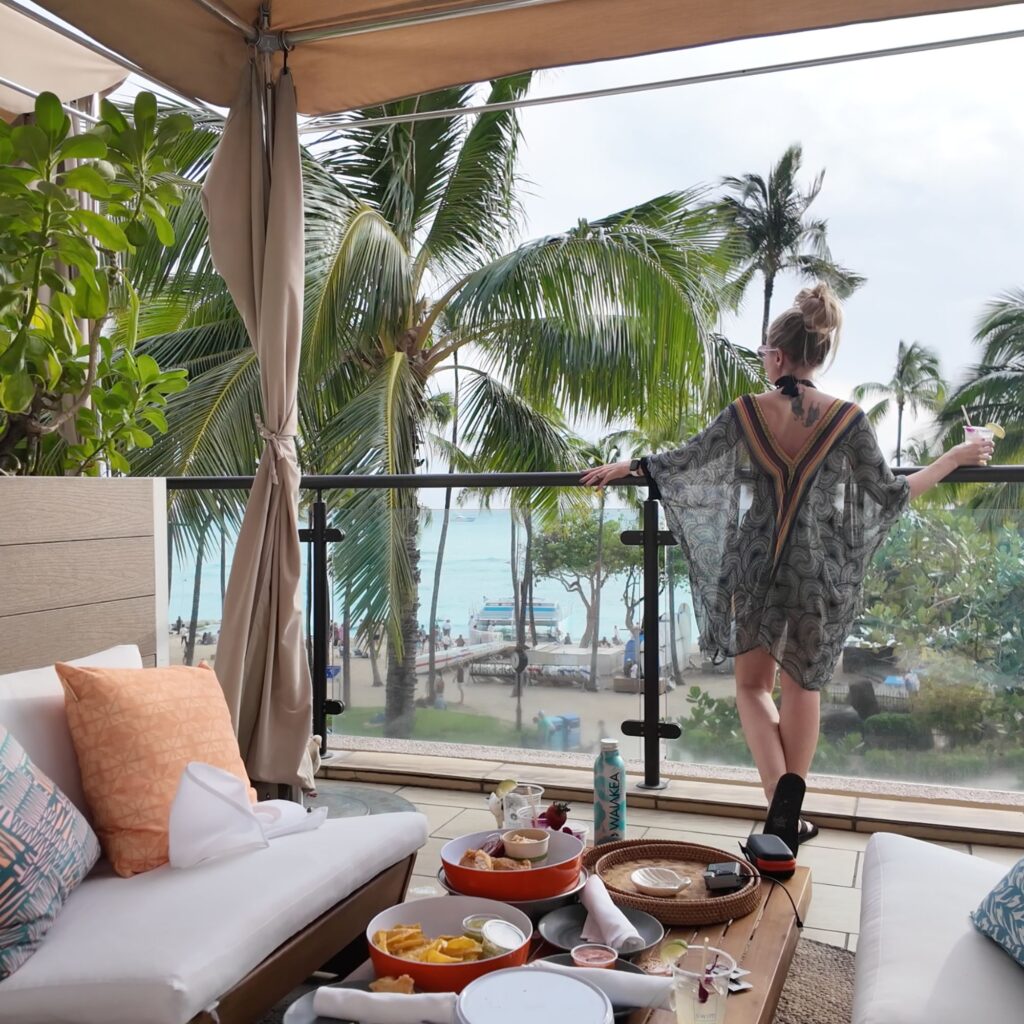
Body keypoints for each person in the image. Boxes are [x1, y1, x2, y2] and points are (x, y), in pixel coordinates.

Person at [581, 282, 994, 845]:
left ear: (777, 356)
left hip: (753, 566)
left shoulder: (746, 413)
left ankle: (781, 806)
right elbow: (892, 493)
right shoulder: (848, 420)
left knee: (752, 688)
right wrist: (954, 456)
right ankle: (789, 809)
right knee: (805, 687)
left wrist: (628, 466)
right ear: (820, 354)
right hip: (817, 574)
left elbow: (683, 463)